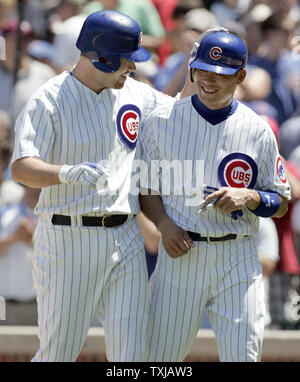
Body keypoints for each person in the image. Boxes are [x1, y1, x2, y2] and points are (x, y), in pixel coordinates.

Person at [10, 10, 175, 362]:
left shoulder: (137, 93)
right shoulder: (48, 98)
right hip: (67, 235)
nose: (131, 68)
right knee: (59, 352)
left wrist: (195, 65)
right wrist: (65, 173)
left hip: (125, 235)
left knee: (132, 355)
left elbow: (182, 111)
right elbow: (22, 167)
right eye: (125, 61)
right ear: (100, 57)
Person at [139, 28, 291, 362]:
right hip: (181, 254)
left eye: (221, 73)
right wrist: (163, 224)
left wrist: (251, 197)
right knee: (159, 361)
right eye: (203, 70)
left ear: (240, 75)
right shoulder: (160, 122)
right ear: (192, 70)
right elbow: (145, 188)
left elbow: (281, 201)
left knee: (243, 357)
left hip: (237, 255)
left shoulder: (258, 129)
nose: (209, 79)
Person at [0, 186, 40, 326]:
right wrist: (13, 239)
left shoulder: (56, 219)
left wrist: (33, 241)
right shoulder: (5, 213)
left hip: (39, 307)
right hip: (4, 305)